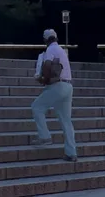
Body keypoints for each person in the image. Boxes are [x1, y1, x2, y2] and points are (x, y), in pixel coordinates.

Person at [30, 29, 77, 161]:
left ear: (45, 40)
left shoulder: (50, 50)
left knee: (37, 107)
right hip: (68, 85)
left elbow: (47, 65)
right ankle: (71, 152)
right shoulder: (61, 50)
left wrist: (42, 79)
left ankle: (44, 136)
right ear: (55, 38)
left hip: (57, 86)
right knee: (66, 120)